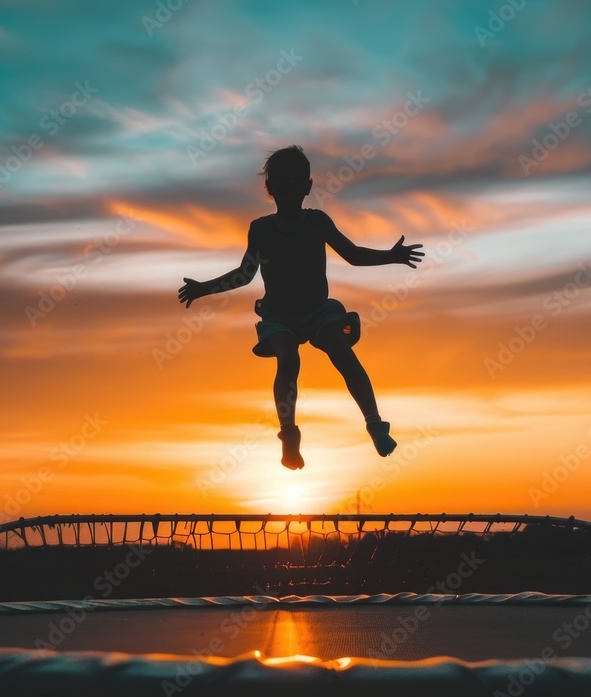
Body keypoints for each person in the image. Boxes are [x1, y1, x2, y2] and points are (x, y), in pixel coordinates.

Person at [178, 145, 423, 469]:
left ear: (308, 186)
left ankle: (375, 424)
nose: (291, 185)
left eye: (297, 180)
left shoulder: (317, 222)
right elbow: (244, 274)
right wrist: (204, 288)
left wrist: (390, 256)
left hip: (320, 312)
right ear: (271, 188)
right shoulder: (262, 229)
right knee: (288, 358)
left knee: (342, 351)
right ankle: (289, 435)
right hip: (279, 316)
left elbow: (353, 255)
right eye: (283, 180)